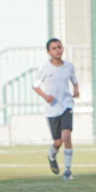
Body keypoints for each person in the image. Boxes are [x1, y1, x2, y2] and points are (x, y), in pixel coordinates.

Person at [33, 38, 79, 181]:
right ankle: (51, 155)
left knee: (67, 136)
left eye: (59, 47)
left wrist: (76, 90)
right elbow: (35, 85)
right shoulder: (44, 68)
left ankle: (67, 171)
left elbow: (74, 80)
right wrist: (46, 97)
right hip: (52, 109)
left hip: (66, 105)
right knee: (58, 141)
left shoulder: (69, 66)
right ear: (48, 52)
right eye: (54, 48)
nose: (57, 50)